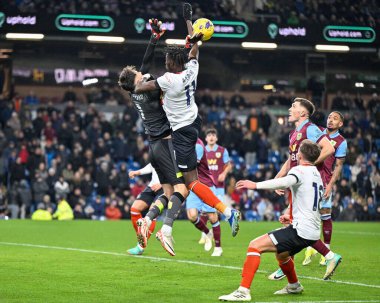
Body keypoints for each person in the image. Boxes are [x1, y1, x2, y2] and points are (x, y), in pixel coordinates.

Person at [135, 3, 240, 256]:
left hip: (180, 133)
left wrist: (140, 80)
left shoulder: (167, 80)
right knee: (178, 185)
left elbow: (139, 88)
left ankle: (224, 213)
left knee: (189, 183)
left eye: (166, 58)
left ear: (170, 62)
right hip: (193, 124)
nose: (165, 59)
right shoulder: (191, 69)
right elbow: (193, 51)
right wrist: (189, 24)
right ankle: (160, 225)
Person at [218, 140, 342, 302]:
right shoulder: (316, 174)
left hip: (300, 230)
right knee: (282, 255)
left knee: (254, 245)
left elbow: (283, 182)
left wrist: (255, 185)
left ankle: (243, 291)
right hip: (311, 230)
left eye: (298, 151)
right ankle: (294, 286)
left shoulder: (299, 170)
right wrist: (291, 217)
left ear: (300, 155)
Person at [118, 18, 189, 256]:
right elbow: (171, 79)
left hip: (154, 144)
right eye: (139, 75)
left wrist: (154, 38)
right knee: (182, 190)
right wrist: (185, 60)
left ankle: (148, 221)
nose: (142, 73)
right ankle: (164, 229)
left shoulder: (136, 91)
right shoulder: (149, 90)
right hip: (166, 142)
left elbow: (145, 63)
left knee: (167, 193)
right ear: (137, 82)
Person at [268, 97, 335, 281]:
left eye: (294, 106)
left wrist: (310, 164)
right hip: (296, 184)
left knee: (297, 226)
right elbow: (291, 159)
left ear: (303, 113)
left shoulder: (310, 129)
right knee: (294, 225)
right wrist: (279, 177)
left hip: (305, 185)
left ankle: (287, 266)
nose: (290, 109)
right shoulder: (293, 134)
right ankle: (326, 256)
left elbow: (328, 148)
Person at [303, 111, 347, 266]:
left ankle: (326, 251)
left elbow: (338, 166)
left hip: (324, 181)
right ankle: (310, 247)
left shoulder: (341, 141)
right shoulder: (318, 133)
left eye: (335, 118)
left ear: (340, 124)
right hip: (309, 179)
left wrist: (330, 185)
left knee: (325, 215)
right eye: (329, 117)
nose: (331, 120)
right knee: (308, 215)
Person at [186, 138, 223, 257]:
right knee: (192, 216)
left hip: (206, 185)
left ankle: (218, 248)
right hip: (193, 185)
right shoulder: (183, 143)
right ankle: (208, 233)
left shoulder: (198, 145)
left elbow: (190, 165)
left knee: (212, 217)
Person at [198, 128, 231, 246]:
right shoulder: (201, 150)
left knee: (215, 210)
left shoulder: (222, 151)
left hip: (219, 186)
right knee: (206, 211)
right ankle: (205, 234)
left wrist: (224, 173)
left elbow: (228, 165)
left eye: (213, 135)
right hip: (205, 185)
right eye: (209, 135)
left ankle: (207, 233)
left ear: (216, 138)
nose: (211, 137)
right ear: (206, 138)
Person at [127, 163, 163, 255]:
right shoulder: (155, 150)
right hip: (152, 186)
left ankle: (140, 246)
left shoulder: (173, 152)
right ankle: (141, 238)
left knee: (152, 213)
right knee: (134, 209)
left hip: (165, 188)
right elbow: (152, 166)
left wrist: (162, 184)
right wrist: (137, 172)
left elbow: (178, 173)